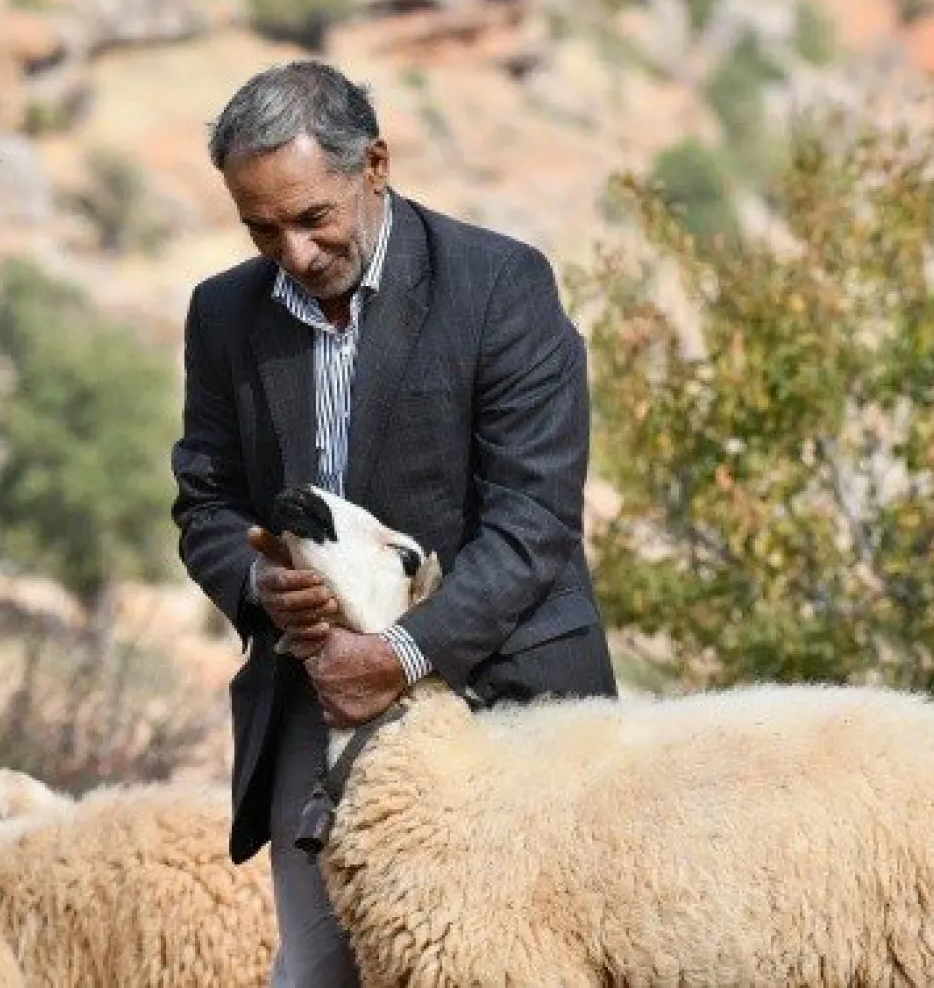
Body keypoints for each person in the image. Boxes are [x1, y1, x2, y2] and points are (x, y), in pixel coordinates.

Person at [170, 59, 618, 986]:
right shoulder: (222, 314)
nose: (292, 252)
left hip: (504, 695)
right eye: (262, 228)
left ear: (373, 165)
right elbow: (206, 502)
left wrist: (402, 655)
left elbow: (533, 519)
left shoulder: (499, 286)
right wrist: (260, 584)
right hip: (317, 695)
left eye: (311, 218)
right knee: (318, 971)